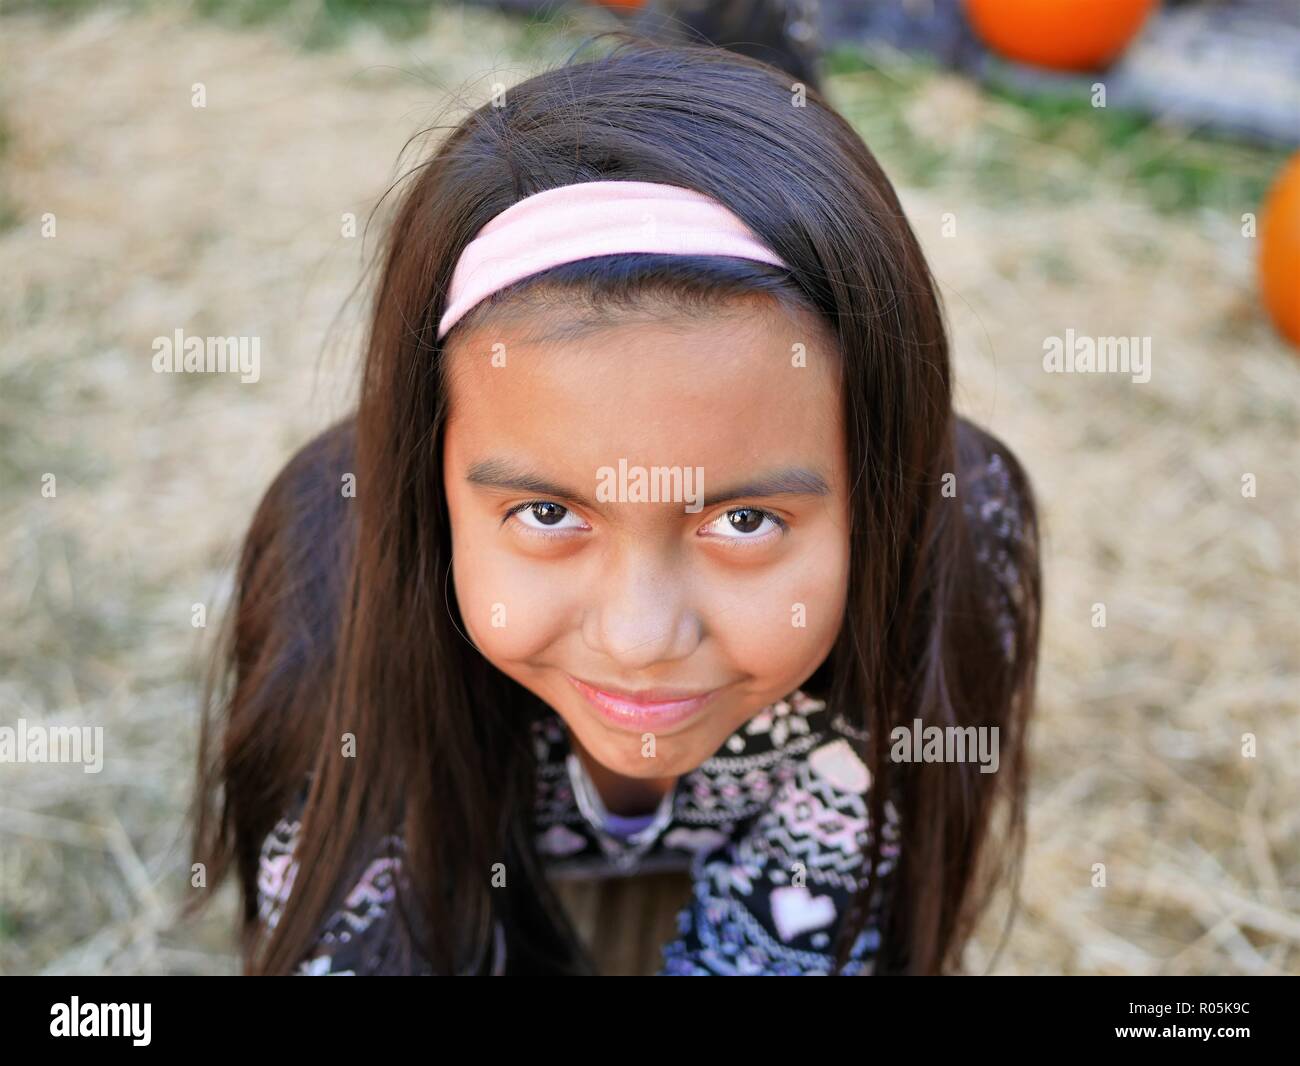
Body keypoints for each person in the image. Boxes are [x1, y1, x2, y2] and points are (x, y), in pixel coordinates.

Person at [189, 32, 1042, 976]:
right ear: (427, 478)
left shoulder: (956, 541)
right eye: (549, 515)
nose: (641, 638)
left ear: (880, 493)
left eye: (744, 521)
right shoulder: (333, 587)